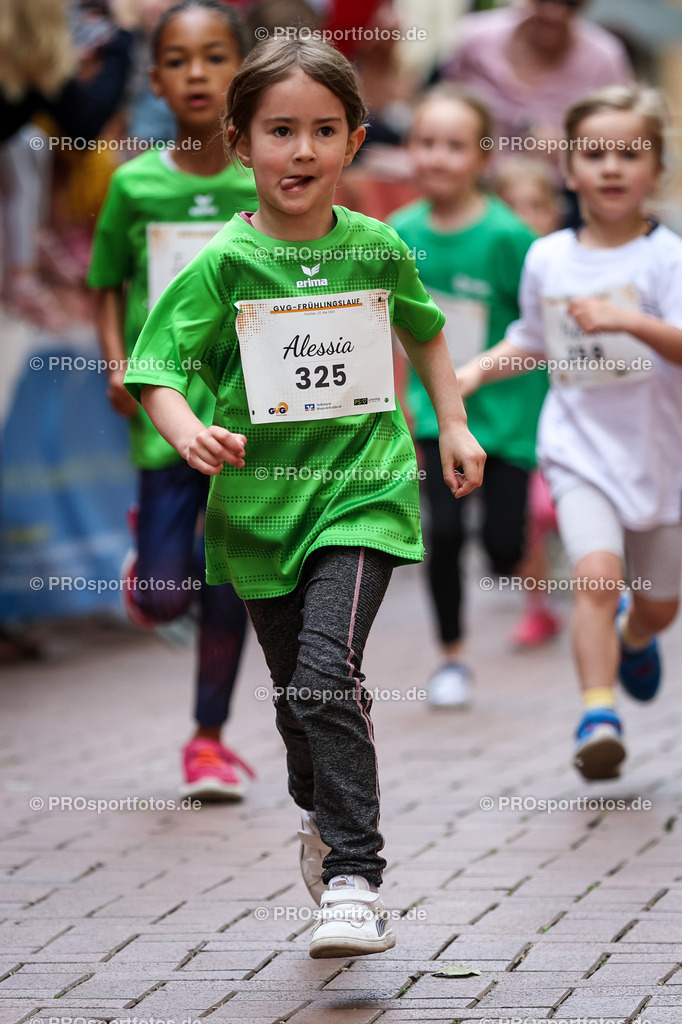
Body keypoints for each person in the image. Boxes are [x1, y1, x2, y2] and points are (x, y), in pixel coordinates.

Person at [123, 37, 485, 958]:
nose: (302, 150)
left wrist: (453, 425)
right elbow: (154, 367)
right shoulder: (223, 263)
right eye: (281, 131)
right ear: (241, 142)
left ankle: (355, 878)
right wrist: (183, 429)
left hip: (364, 494)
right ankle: (322, 814)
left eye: (324, 130)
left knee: (327, 673)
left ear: (355, 141)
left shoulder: (378, 245)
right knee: (297, 702)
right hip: (256, 514)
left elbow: (428, 332)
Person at [457, 85, 682, 782]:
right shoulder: (548, 258)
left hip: (661, 453)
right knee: (594, 573)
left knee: (660, 603)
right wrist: (469, 374)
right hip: (579, 446)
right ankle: (598, 714)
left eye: (629, 153)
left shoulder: (668, 258)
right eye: (595, 153)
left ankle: (636, 637)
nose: (611, 167)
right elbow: (531, 339)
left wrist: (630, 321)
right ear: (571, 169)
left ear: (656, 168)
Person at [88, 0, 258, 800]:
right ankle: (151, 561)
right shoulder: (135, 184)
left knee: (231, 583)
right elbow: (108, 284)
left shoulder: (265, 180)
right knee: (164, 598)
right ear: (155, 80)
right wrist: (118, 364)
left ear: (241, 71)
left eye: (217, 57)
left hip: (248, 419)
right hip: (165, 413)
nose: (199, 74)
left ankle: (209, 741)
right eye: (181, 60)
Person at [390, 84, 546, 707]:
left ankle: (532, 572)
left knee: (504, 548)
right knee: (445, 533)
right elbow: (387, 325)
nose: (436, 157)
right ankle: (451, 657)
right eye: (425, 142)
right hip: (434, 417)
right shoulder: (397, 232)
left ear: (482, 157)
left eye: (454, 146)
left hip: (505, 418)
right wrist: (399, 400)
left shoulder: (509, 237)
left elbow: (534, 328)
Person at [493, 158, 564, 647]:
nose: (525, 219)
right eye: (513, 208)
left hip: (567, 413)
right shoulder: (502, 268)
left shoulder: (562, 268)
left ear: (554, 213)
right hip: (519, 420)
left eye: (536, 207)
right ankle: (538, 606)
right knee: (533, 517)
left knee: (559, 511)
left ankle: (610, 582)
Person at [438, 0, 631, 170]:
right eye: (543, 0)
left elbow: (620, 135)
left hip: (559, 193)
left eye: (569, 3)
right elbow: (443, 101)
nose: (553, 12)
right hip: (475, 180)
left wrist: (568, 147)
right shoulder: (475, 38)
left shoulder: (604, 58)